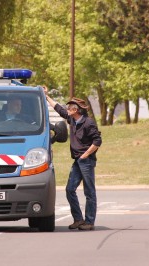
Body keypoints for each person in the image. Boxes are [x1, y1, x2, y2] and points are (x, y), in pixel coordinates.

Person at [43, 86, 102, 231]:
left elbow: (97, 141)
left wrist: (86, 154)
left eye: (70, 106)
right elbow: (59, 109)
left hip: (86, 161)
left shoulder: (88, 123)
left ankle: (89, 222)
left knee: (89, 191)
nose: (67, 108)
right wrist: (46, 96)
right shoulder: (72, 119)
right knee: (70, 189)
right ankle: (78, 219)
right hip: (77, 161)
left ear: (77, 110)